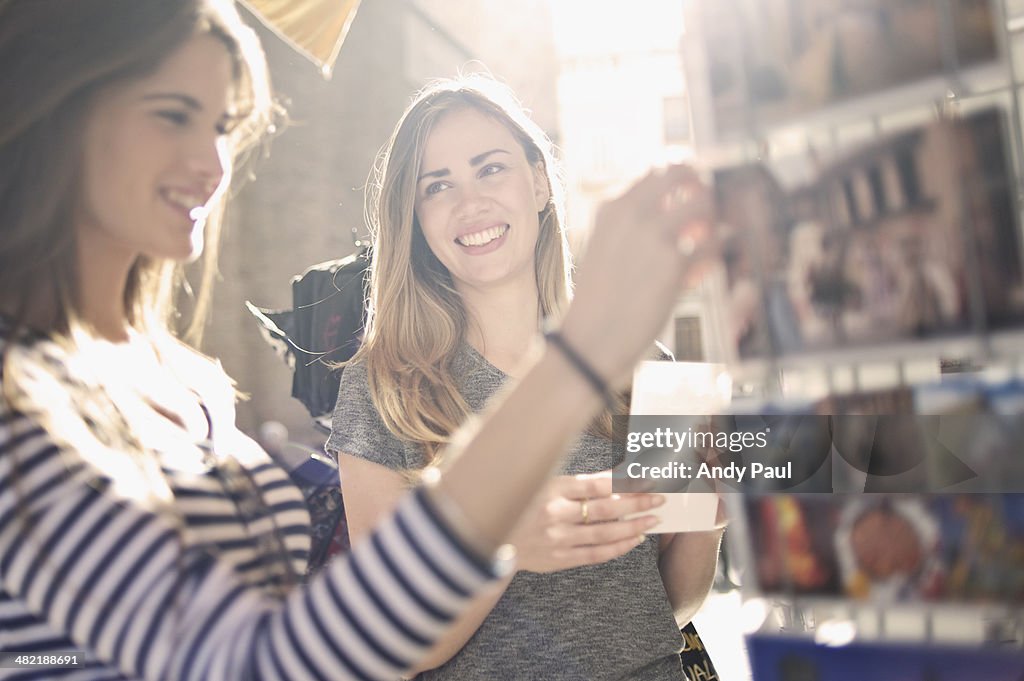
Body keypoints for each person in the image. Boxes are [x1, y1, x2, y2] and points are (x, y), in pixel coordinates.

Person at [0, 2, 715, 679]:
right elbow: (276, 658)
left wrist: (716, 496)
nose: (214, 166)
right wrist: (577, 363)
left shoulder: (184, 382)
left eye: (223, 126)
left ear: (539, 182)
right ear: (65, 112)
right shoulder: (25, 410)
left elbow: (670, 600)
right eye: (172, 115)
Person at [328, 77, 725, 680]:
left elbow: (668, 605)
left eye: (490, 170)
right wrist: (500, 547)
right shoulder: (384, 390)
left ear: (539, 182)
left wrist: (710, 515)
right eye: (437, 186)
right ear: (415, 220)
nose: (470, 203)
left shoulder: (648, 370)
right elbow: (391, 642)